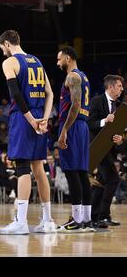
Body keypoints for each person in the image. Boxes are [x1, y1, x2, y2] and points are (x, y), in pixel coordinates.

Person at [0, 30, 56, 235]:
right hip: (40, 116)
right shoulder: (37, 61)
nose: (3, 52)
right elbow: (50, 93)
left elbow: (15, 94)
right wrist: (45, 119)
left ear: (6, 43)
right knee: (39, 169)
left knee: (22, 166)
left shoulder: (10, 62)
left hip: (24, 118)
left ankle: (21, 221)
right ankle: (48, 221)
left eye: (2, 48)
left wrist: (31, 120)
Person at [56, 46, 95, 233]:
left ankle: (77, 220)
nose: (57, 62)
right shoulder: (85, 76)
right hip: (82, 127)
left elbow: (76, 104)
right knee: (81, 173)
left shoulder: (72, 76)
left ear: (68, 58)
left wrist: (64, 131)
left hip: (72, 126)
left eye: (59, 59)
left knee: (72, 173)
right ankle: (87, 220)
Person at [88, 74, 125, 227]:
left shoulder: (117, 105)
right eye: (119, 86)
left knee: (101, 182)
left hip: (109, 149)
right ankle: (102, 215)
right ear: (110, 87)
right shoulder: (96, 101)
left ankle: (95, 215)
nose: (122, 89)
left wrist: (120, 139)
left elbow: (116, 130)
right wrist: (104, 121)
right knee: (113, 179)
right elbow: (89, 124)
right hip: (97, 148)